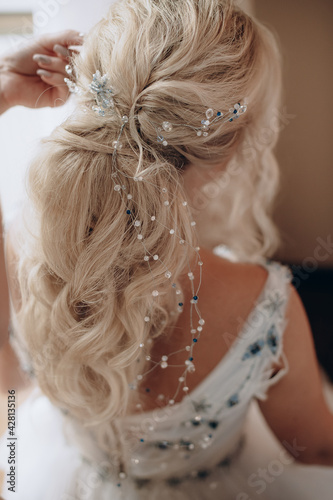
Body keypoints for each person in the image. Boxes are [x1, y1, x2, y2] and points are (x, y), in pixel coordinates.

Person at [1, 1, 333, 499]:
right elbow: (314, 450)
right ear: (226, 157)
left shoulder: (20, 257)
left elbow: (10, 379)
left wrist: (4, 84)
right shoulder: (266, 304)